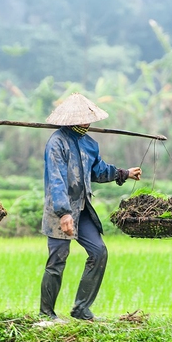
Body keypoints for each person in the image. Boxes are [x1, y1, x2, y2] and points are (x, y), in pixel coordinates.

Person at [40, 92, 142, 322]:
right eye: (82, 120)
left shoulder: (89, 144)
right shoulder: (56, 143)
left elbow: (98, 170)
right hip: (60, 209)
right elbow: (55, 180)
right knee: (57, 260)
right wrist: (64, 214)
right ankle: (46, 313)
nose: (86, 123)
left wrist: (124, 173)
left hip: (83, 207)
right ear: (70, 120)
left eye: (89, 119)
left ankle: (81, 308)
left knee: (98, 251)